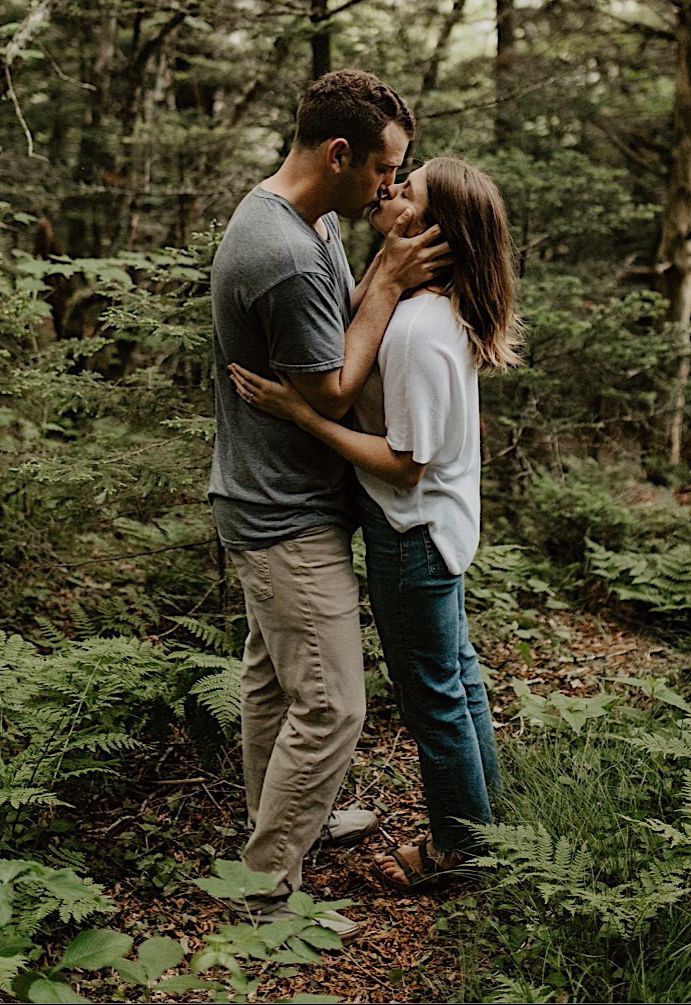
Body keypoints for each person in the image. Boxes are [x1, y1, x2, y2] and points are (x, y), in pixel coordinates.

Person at [230, 154, 520, 890]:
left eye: (407, 187)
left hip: (411, 534)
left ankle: (459, 852)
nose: (390, 188)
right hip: (431, 527)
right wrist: (386, 274)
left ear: (425, 228)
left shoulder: (420, 329)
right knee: (457, 678)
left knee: (434, 699)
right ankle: (491, 829)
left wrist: (301, 414)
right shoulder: (417, 307)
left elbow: (404, 464)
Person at [205, 69, 446, 929]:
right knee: (336, 703)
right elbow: (334, 389)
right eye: (385, 168)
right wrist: (389, 281)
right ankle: (267, 884)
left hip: (267, 496)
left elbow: (331, 327)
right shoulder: (284, 253)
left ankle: (282, 823)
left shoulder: (306, 218)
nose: (390, 185)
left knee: (274, 682)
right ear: (339, 153)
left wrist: (374, 275)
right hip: (283, 513)